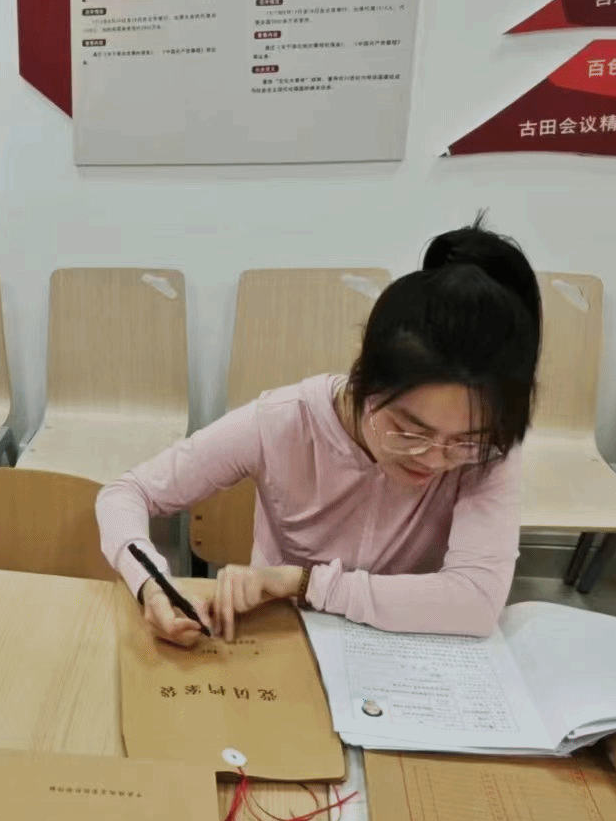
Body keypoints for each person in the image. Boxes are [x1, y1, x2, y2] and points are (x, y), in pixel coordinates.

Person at [98, 218, 541, 646]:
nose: (434, 458)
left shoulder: (487, 447)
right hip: (286, 638)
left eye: (463, 442)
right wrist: (151, 584)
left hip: (407, 650)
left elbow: (476, 603)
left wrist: (305, 583)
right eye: (409, 432)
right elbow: (126, 494)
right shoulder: (285, 422)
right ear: (364, 376)